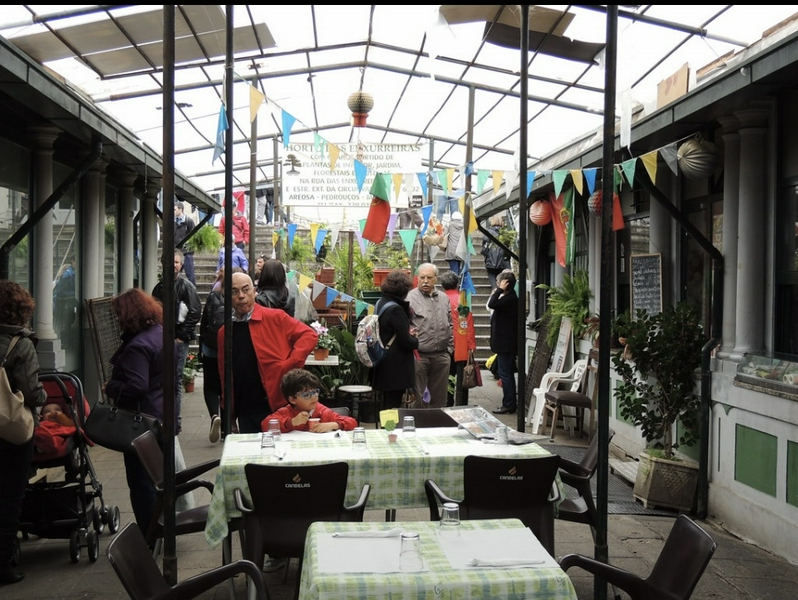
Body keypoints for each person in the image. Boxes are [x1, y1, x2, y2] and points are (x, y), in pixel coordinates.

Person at [103, 289, 173, 548]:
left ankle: (150, 535)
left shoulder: (138, 345)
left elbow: (137, 386)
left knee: (142, 483)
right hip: (161, 417)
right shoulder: (162, 335)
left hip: (141, 423)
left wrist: (110, 388)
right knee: (159, 479)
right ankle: (163, 528)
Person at [217, 273, 317, 433]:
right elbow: (225, 374)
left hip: (277, 404)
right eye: (234, 292)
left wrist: (290, 364)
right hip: (245, 409)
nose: (241, 296)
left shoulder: (274, 317)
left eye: (245, 289)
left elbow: (309, 335)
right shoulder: (224, 332)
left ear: (254, 291)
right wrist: (229, 412)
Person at [0, 281, 47, 585]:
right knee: (9, 495)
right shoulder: (21, 344)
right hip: (9, 431)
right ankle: (3, 564)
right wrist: (44, 401)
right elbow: (31, 391)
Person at [151, 249, 201, 434]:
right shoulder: (159, 287)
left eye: (177, 262)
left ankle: (175, 421)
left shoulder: (186, 286)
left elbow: (195, 311)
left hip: (178, 341)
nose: (174, 265)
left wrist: (182, 335)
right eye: (170, 261)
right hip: (161, 339)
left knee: (175, 381)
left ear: (181, 264)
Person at [407, 263, 453, 409]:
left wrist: (449, 349)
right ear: (417, 278)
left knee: (439, 399)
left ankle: (436, 426)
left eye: (429, 277)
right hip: (419, 357)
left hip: (441, 356)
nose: (425, 281)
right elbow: (404, 324)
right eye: (422, 277)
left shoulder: (444, 298)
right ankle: (416, 426)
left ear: (436, 279)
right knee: (417, 398)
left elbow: (450, 323)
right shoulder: (410, 298)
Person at [371, 269, 418, 410]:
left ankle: (385, 429)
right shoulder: (396, 310)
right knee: (393, 405)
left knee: (386, 404)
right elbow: (406, 341)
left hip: (382, 360)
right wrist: (415, 340)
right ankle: (389, 430)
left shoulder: (381, 302)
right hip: (395, 366)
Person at [263, 369, 357, 433]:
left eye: (315, 392)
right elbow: (265, 424)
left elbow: (352, 422)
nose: (313, 397)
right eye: (306, 395)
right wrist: (291, 422)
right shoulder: (286, 412)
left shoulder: (322, 411)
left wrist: (335, 424)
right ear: (292, 399)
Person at [439, 271, 476, 406]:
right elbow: (468, 323)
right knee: (462, 378)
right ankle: (461, 405)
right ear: (456, 284)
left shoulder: (439, 300)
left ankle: (447, 403)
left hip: (443, 344)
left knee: (446, 378)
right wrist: (471, 345)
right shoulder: (461, 300)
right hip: (460, 344)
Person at [199, 269, 225, 443]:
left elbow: (205, 322)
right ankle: (227, 427)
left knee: (210, 386)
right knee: (226, 388)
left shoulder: (213, 295)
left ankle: (214, 415)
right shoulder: (238, 299)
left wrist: (202, 345)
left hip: (210, 349)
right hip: (228, 350)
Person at [489, 270, 519, 415]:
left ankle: (509, 403)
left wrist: (499, 290)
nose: (497, 285)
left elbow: (492, 304)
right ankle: (510, 402)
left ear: (506, 284)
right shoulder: (508, 298)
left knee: (505, 374)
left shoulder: (510, 299)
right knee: (506, 373)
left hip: (506, 344)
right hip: (505, 343)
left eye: (499, 282)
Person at [482, 215, 511, 290]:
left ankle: (495, 291)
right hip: (502, 262)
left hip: (491, 260)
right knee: (502, 280)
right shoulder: (505, 233)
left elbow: (484, 245)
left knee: (493, 280)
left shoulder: (488, 232)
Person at [53, 256, 77, 337]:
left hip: (68, 305)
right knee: (61, 327)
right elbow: (60, 292)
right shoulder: (67, 275)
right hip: (63, 306)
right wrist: (75, 294)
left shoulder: (74, 272)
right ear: (72, 261)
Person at [174, 202, 196, 285]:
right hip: (176, 252)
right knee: (174, 274)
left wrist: (190, 249)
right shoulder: (173, 221)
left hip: (187, 252)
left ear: (181, 209)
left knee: (190, 275)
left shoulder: (188, 221)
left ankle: (192, 291)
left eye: (175, 209)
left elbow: (194, 236)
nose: (173, 211)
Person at [443, 211, 465, 276]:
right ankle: (457, 282)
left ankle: (455, 284)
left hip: (451, 250)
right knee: (457, 268)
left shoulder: (449, 225)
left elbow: (444, 234)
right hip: (461, 250)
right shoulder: (464, 226)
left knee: (454, 271)